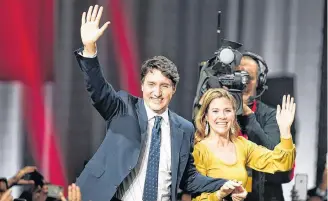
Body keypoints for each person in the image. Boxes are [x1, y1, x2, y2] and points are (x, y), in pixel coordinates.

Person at [74, 5, 243, 201]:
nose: (157, 92)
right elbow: (98, 89)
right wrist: (89, 49)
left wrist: (223, 183)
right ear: (142, 86)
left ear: (173, 90)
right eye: (151, 84)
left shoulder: (184, 129)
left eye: (164, 86)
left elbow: (188, 178)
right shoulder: (123, 107)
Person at [190, 88, 296, 201]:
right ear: (206, 116)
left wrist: (285, 132)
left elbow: (282, 163)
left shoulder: (242, 145)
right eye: (215, 111)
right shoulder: (199, 150)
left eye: (227, 110)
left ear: (234, 115)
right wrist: (219, 195)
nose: (222, 116)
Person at [235, 52, 295, 201]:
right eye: (238, 75)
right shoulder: (217, 115)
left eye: (248, 76)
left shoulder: (272, 115)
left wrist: (249, 118)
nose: (243, 82)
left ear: (259, 82)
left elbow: (276, 160)